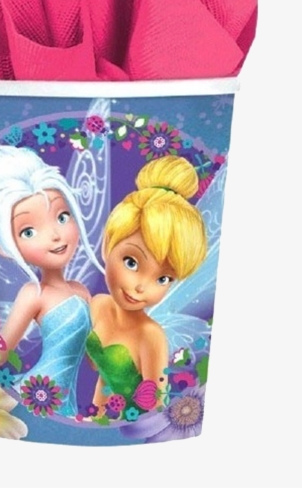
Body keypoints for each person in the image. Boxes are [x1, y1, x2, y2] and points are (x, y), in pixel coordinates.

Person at [0, 121, 101, 417]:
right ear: (1, 246)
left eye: (62, 216)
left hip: (66, 400)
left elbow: (92, 359)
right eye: (28, 231)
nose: (55, 235)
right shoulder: (33, 293)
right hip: (36, 394)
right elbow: (0, 354)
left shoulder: (81, 291)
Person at [86, 155, 207, 419]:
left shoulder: (150, 336)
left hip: (132, 427)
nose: (141, 287)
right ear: (108, 245)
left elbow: (156, 406)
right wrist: (96, 415)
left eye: (163, 279)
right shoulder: (98, 305)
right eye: (131, 262)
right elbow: (104, 379)